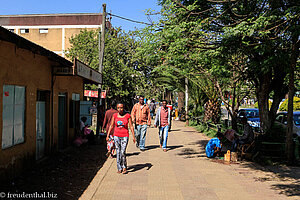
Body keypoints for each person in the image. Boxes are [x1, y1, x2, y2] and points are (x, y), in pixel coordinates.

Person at [106, 102, 136, 174]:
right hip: (116, 136)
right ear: (117, 108)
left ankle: (124, 166)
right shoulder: (115, 115)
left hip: (125, 136)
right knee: (118, 152)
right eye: (118, 108)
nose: (120, 109)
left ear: (123, 108)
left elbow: (131, 126)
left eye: (121, 108)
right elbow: (111, 125)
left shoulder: (127, 116)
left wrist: (134, 136)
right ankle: (119, 168)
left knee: (123, 152)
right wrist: (108, 135)